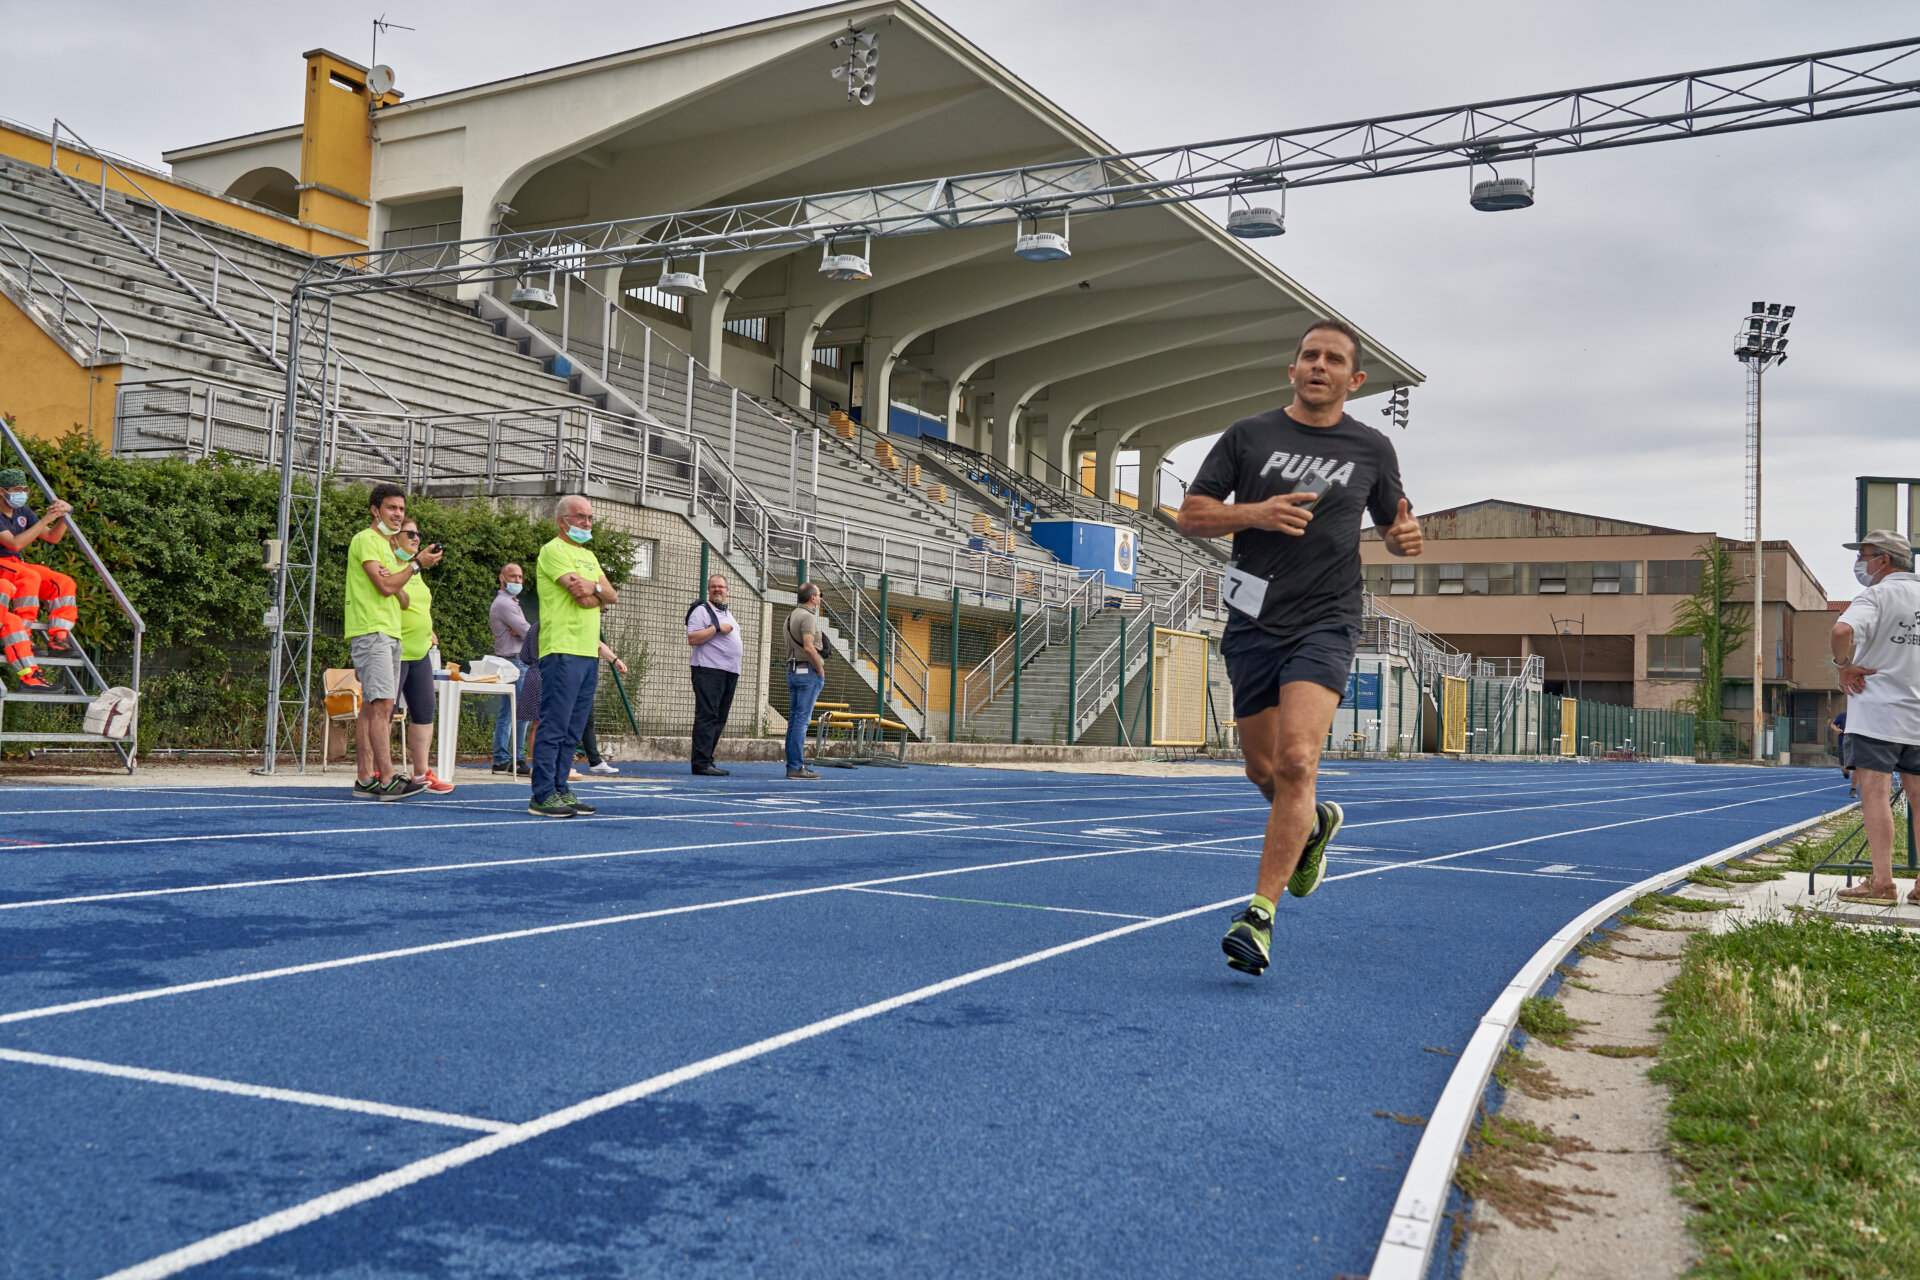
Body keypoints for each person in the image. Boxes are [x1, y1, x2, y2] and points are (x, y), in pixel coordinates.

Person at [1175, 318, 1423, 976]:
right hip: (1253, 619)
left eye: (1333, 358)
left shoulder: (1371, 449)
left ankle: (1258, 915)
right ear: (1292, 369)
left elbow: (1394, 526)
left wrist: (1405, 537)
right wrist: (1254, 513)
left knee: (1297, 760)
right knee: (1262, 771)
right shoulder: (1249, 436)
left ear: (1354, 379)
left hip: (1327, 618)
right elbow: (1191, 514)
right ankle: (1311, 829)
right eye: (1309, 355)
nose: (1319, 365)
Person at [1830, 530, 1920, 906]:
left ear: (1884, 561)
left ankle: (1882, 882)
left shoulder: (1877, 594)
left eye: (1865, 556)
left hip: (1877, 715)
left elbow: (1842, 630)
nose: (1861, 563)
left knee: (1875, 793)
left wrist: (1843, 666)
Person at [346, 484, 441, 801]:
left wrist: (397, 578)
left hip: (390, 632)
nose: (398, 514)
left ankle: (367, 779)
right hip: (372, 630)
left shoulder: (388, 547)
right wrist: (414, 566)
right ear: (375, 510)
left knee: (377, 704)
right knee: (382, 705)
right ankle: (386, 778)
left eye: (401, 509)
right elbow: (387, 588)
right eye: (391, 508)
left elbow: (400, 596)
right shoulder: (366, 539)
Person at [528, 494, 617, 818]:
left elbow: (611, 595)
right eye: (581, 517)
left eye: (590, 518)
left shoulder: (589, 556)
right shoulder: (553, 551)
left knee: (573, 727)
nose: (587, 523)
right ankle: (542, 794)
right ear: (562, 520)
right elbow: (583, 596)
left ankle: (561, 788)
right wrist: (597, 592)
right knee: (554, 724)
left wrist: (592, 588)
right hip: (562, 648)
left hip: (586, 651)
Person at [395, 519, 454, 793]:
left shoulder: (416, 571)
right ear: (394, 536)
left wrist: (429, 629)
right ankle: (376, 772)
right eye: (410, 533)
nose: (416, 538)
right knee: (384, 713)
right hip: (394, 648)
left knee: (424, 712)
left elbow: (417, 605)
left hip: (420, 651)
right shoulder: (391, 564)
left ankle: (421, 774)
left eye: (418, 533)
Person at [0, 467, 78, 654]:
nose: (22, 494)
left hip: (16, 565)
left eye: (24, 489)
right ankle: (22, 636)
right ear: (1, 491)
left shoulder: (23, 512)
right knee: (30, 577)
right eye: (16, 489)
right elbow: (15, 544)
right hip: (2, 562)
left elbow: (52, 537)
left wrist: (64, 516)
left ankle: (59, 637)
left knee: (63, 582)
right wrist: (45, 519)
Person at [686, 572, 742, 777]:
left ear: (727, 591)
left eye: (721, 587)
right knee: (707, 715)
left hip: (729, 671)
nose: (717, 590)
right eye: (713, 587)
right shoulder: (701, 611)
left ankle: (707, 758)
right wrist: (717, 628)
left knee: (720, 718)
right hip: (709, 670)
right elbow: (692, 638)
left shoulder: (728, 613)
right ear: (708, 590)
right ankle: (700, 763)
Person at [488, 562, 532, 773]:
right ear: (501, 578)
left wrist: (523, 631)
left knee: (507, 712)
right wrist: (524, 630)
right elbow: (527, 631)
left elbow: (523, 631)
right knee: (522, 712)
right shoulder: (505, 604)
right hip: (515, 661)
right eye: (513, 576)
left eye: (520, 577)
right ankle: (517, 759)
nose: (517, 581)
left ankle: (501, 760)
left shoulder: (510, 602)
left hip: (510, 660)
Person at [784, 582, 826, 780]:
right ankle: (796, 766)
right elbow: (809, 648)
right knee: (802, 720)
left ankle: (793, 764)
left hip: (793, 669)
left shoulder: (790, 616)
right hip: (807, 671)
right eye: (819, 595)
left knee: (794, 720)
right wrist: (820, 669)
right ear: (812, 598)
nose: (820, 599)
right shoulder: (808, 617)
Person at [571, 641, 630, 779]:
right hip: (574, 674)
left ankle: (595, 762)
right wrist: (616, 660)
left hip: (586, 677)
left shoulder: (590, 624)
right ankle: (563, 762)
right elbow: (598, 644)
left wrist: (616, 660)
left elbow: (598, 644)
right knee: (572, 719)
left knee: (588, 720)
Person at [1830, 709, 1855, 797]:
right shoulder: (1842, 715)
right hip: (1842, 743)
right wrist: (1836, 729)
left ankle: (1853, 788)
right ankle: (1846, 772)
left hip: (1853, 744)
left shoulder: (1858, 716)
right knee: (1844, 768)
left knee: (1853, 766)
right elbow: (1832, 725)